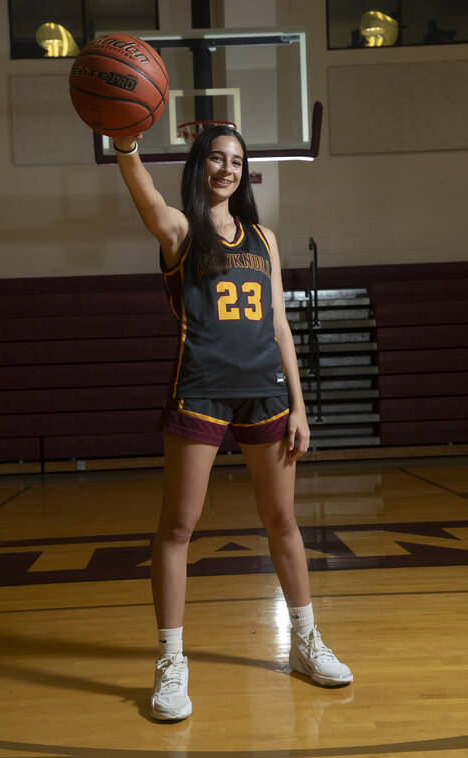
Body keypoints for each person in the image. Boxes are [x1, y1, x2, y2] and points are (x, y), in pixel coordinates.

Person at [113, 126, 352, 721]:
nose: (227, 169)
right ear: (199, 166)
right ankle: (171, 661)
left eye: (237, 161)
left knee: (283, 520)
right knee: (177, 528)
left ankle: (304, 641)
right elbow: (143, 194)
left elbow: (279, 324)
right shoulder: (179, 230)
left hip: (266, 394)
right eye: (217, 159)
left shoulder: (264, 239)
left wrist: (300, 405)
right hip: (201, 391)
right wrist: (126, 147)